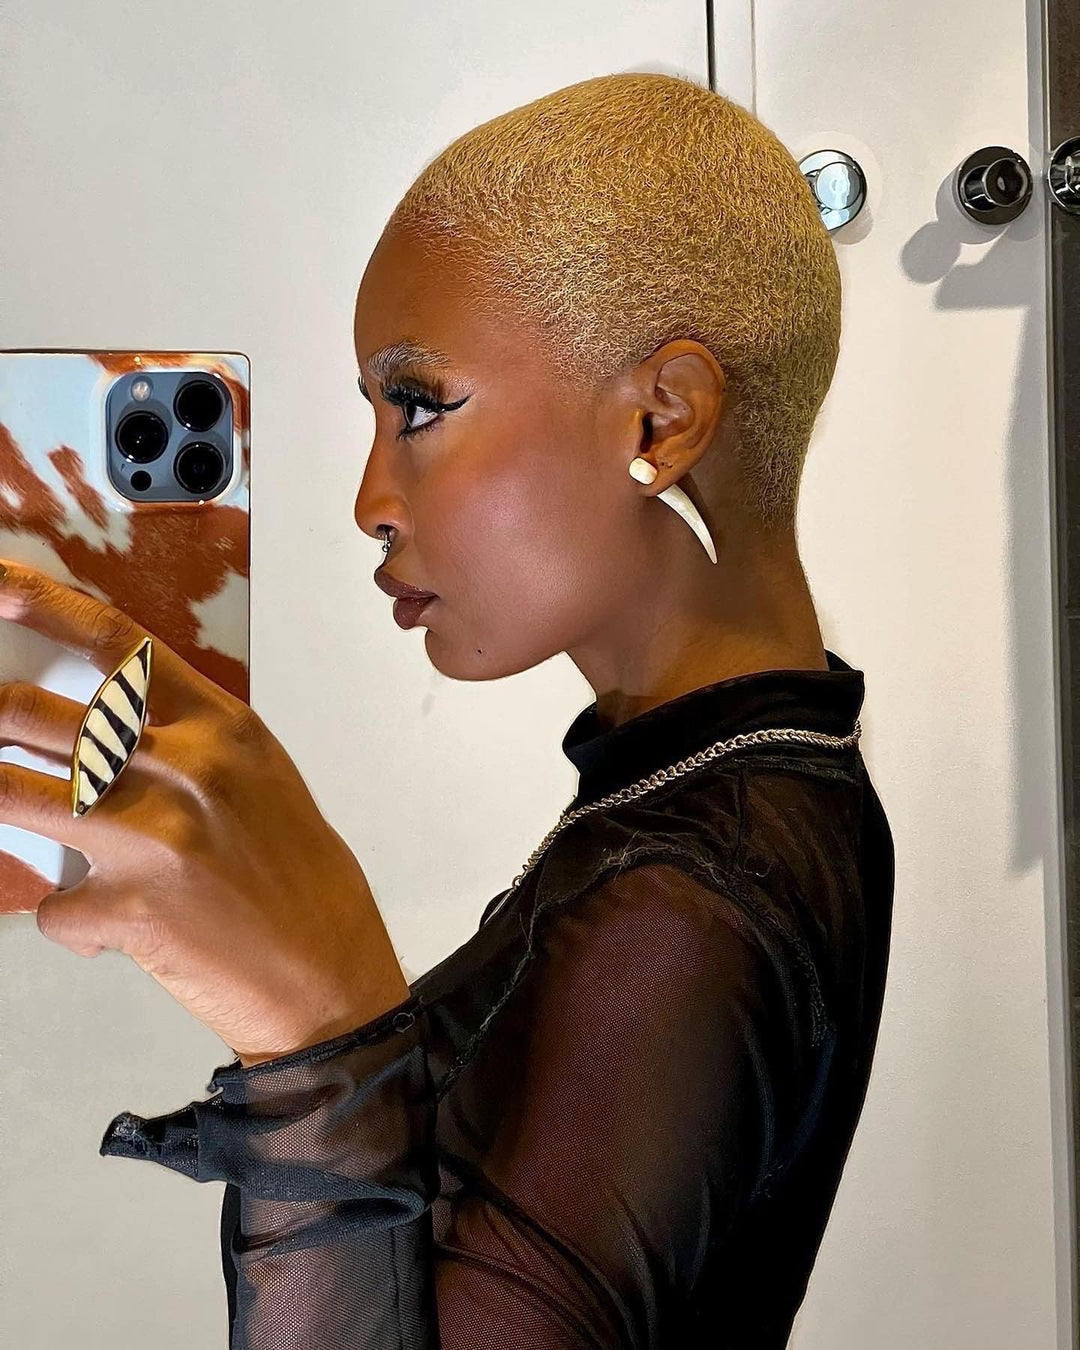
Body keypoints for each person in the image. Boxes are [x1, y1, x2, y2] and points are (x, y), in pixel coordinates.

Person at [99, 70, 895, 1347]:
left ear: (662, 419)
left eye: (418, 406)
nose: (370, 500)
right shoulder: (751, 780)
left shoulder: (683, 901)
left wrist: (314, 1031)